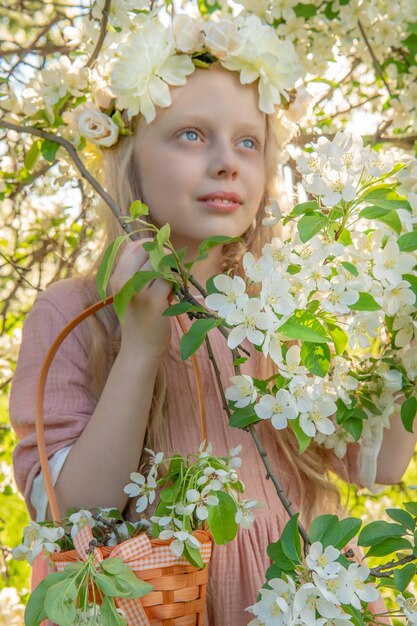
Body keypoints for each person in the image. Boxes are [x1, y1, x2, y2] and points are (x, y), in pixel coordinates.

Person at [9, 25, 416, 625]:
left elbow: (377, 465)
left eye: (249, 143)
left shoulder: (290, 305)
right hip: (153, 601)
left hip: (292, 596)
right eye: (192, 135)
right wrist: (142, 344)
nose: (227, 162)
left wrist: (407, 336)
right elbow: (78, 513)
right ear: (131, 164)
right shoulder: (75, 312)